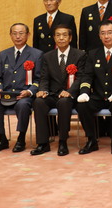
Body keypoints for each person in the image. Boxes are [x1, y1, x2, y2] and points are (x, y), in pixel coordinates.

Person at [76, 19, 112, 155]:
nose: (106, 36)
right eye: (103, 33)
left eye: (110, 32)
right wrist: (84, 92)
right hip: (99, 95)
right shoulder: (92, 54)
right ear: (99, 36)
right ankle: (91, 140)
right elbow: (87, 76)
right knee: (82, 105)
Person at [30, 24, 86, 156]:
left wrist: (70, 91)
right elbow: (44, 78)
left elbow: (81, 78)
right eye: (58, 35)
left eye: (64, 35)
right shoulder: (47, 56)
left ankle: (63, 141)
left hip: (70, 95)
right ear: (54, 38)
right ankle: (43, 143)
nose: (61, 38)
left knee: (64, 102)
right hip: (53, 94)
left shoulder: (80, 55)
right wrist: (43, 90)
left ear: (70, 38)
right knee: (38, 102)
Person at [0, 23, 43, 153]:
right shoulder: (3, 54)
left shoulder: (37, 54)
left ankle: (21, 139)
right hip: (5, 95)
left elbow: (39, 79)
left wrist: (29, 91)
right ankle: (2, 139)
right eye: (14, 33)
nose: (18, 36)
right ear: (10, 35)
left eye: (21, 33)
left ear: (28, 35)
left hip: (24, 95)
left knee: (23, 105)